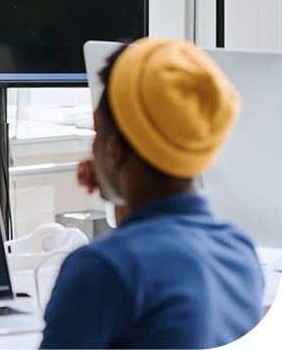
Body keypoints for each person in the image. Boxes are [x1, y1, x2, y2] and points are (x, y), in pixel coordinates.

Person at [40, 38, 265, 349]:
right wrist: (117, 185)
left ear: (114, 150)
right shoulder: (237, 251)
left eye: (96, 132)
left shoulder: (104, 269)